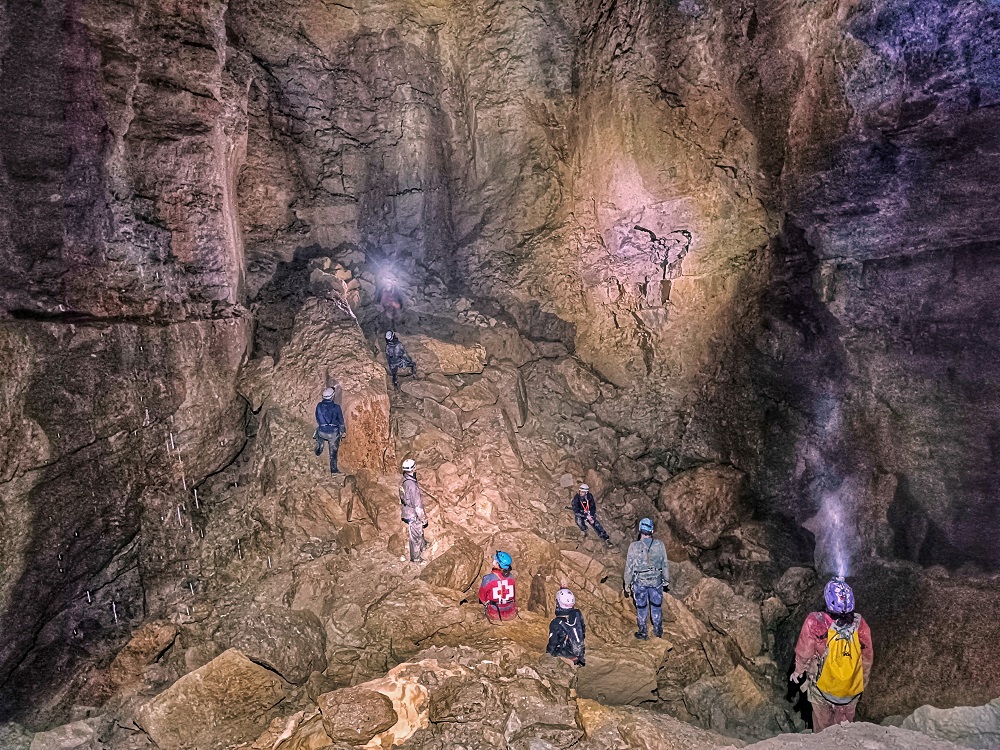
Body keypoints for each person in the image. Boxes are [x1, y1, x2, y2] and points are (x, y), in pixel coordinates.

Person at [791, 577, 873, 732]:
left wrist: (798, 671)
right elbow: (867, 658)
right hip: (850, 691)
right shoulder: (860, 624)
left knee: (823, 730)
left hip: (823, 690)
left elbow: (804, 652)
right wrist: (860, 682)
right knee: (844, 730)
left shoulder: (815, 621)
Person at [623, 517, 669, 640]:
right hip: (656, 581)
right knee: (656, 605)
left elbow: (629, 568)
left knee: (641, 607)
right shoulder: (659, 545)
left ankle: (643, 631)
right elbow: (664, 563)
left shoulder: (633, 546)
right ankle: (658, 630)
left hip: (640, 582)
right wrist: (666, 579)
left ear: (640, 530)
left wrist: (627, 585)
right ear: (652, 530)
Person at [546, 588, 586, 667]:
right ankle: (578, 658)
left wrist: (548, 653)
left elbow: (552, 643)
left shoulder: (556, 623)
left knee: (551, 653)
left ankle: (571, 659)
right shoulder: (577, 614)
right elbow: (583, 630)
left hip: (567, 652)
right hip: (580, 650)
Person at [398, 459, 428, 563]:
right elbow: (418, 506)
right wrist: (423, 518)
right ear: (414, 468)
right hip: (412, 513)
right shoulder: (412, 486)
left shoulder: (404, 480)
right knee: (415, 536)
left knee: (418, 530)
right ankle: (415, 558)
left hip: (406, 509)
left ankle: (423, 545)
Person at [479, 551, 517, 623]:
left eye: (495, 560)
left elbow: (482, 597)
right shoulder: (511, 577)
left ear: (497, 563)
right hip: (511, 612)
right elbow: (513, 595)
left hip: (495, 613)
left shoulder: (488, 579)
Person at [314, 387, 346, 474]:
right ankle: (334, 471)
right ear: (332, 397)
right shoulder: (336, 407)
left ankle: (319, 445)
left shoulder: (319, 406)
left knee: (319, 429)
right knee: (333, 452)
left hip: (322, 432)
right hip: (332, 434)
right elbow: (341, 422)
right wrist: (343, 432)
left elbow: (317, 418)